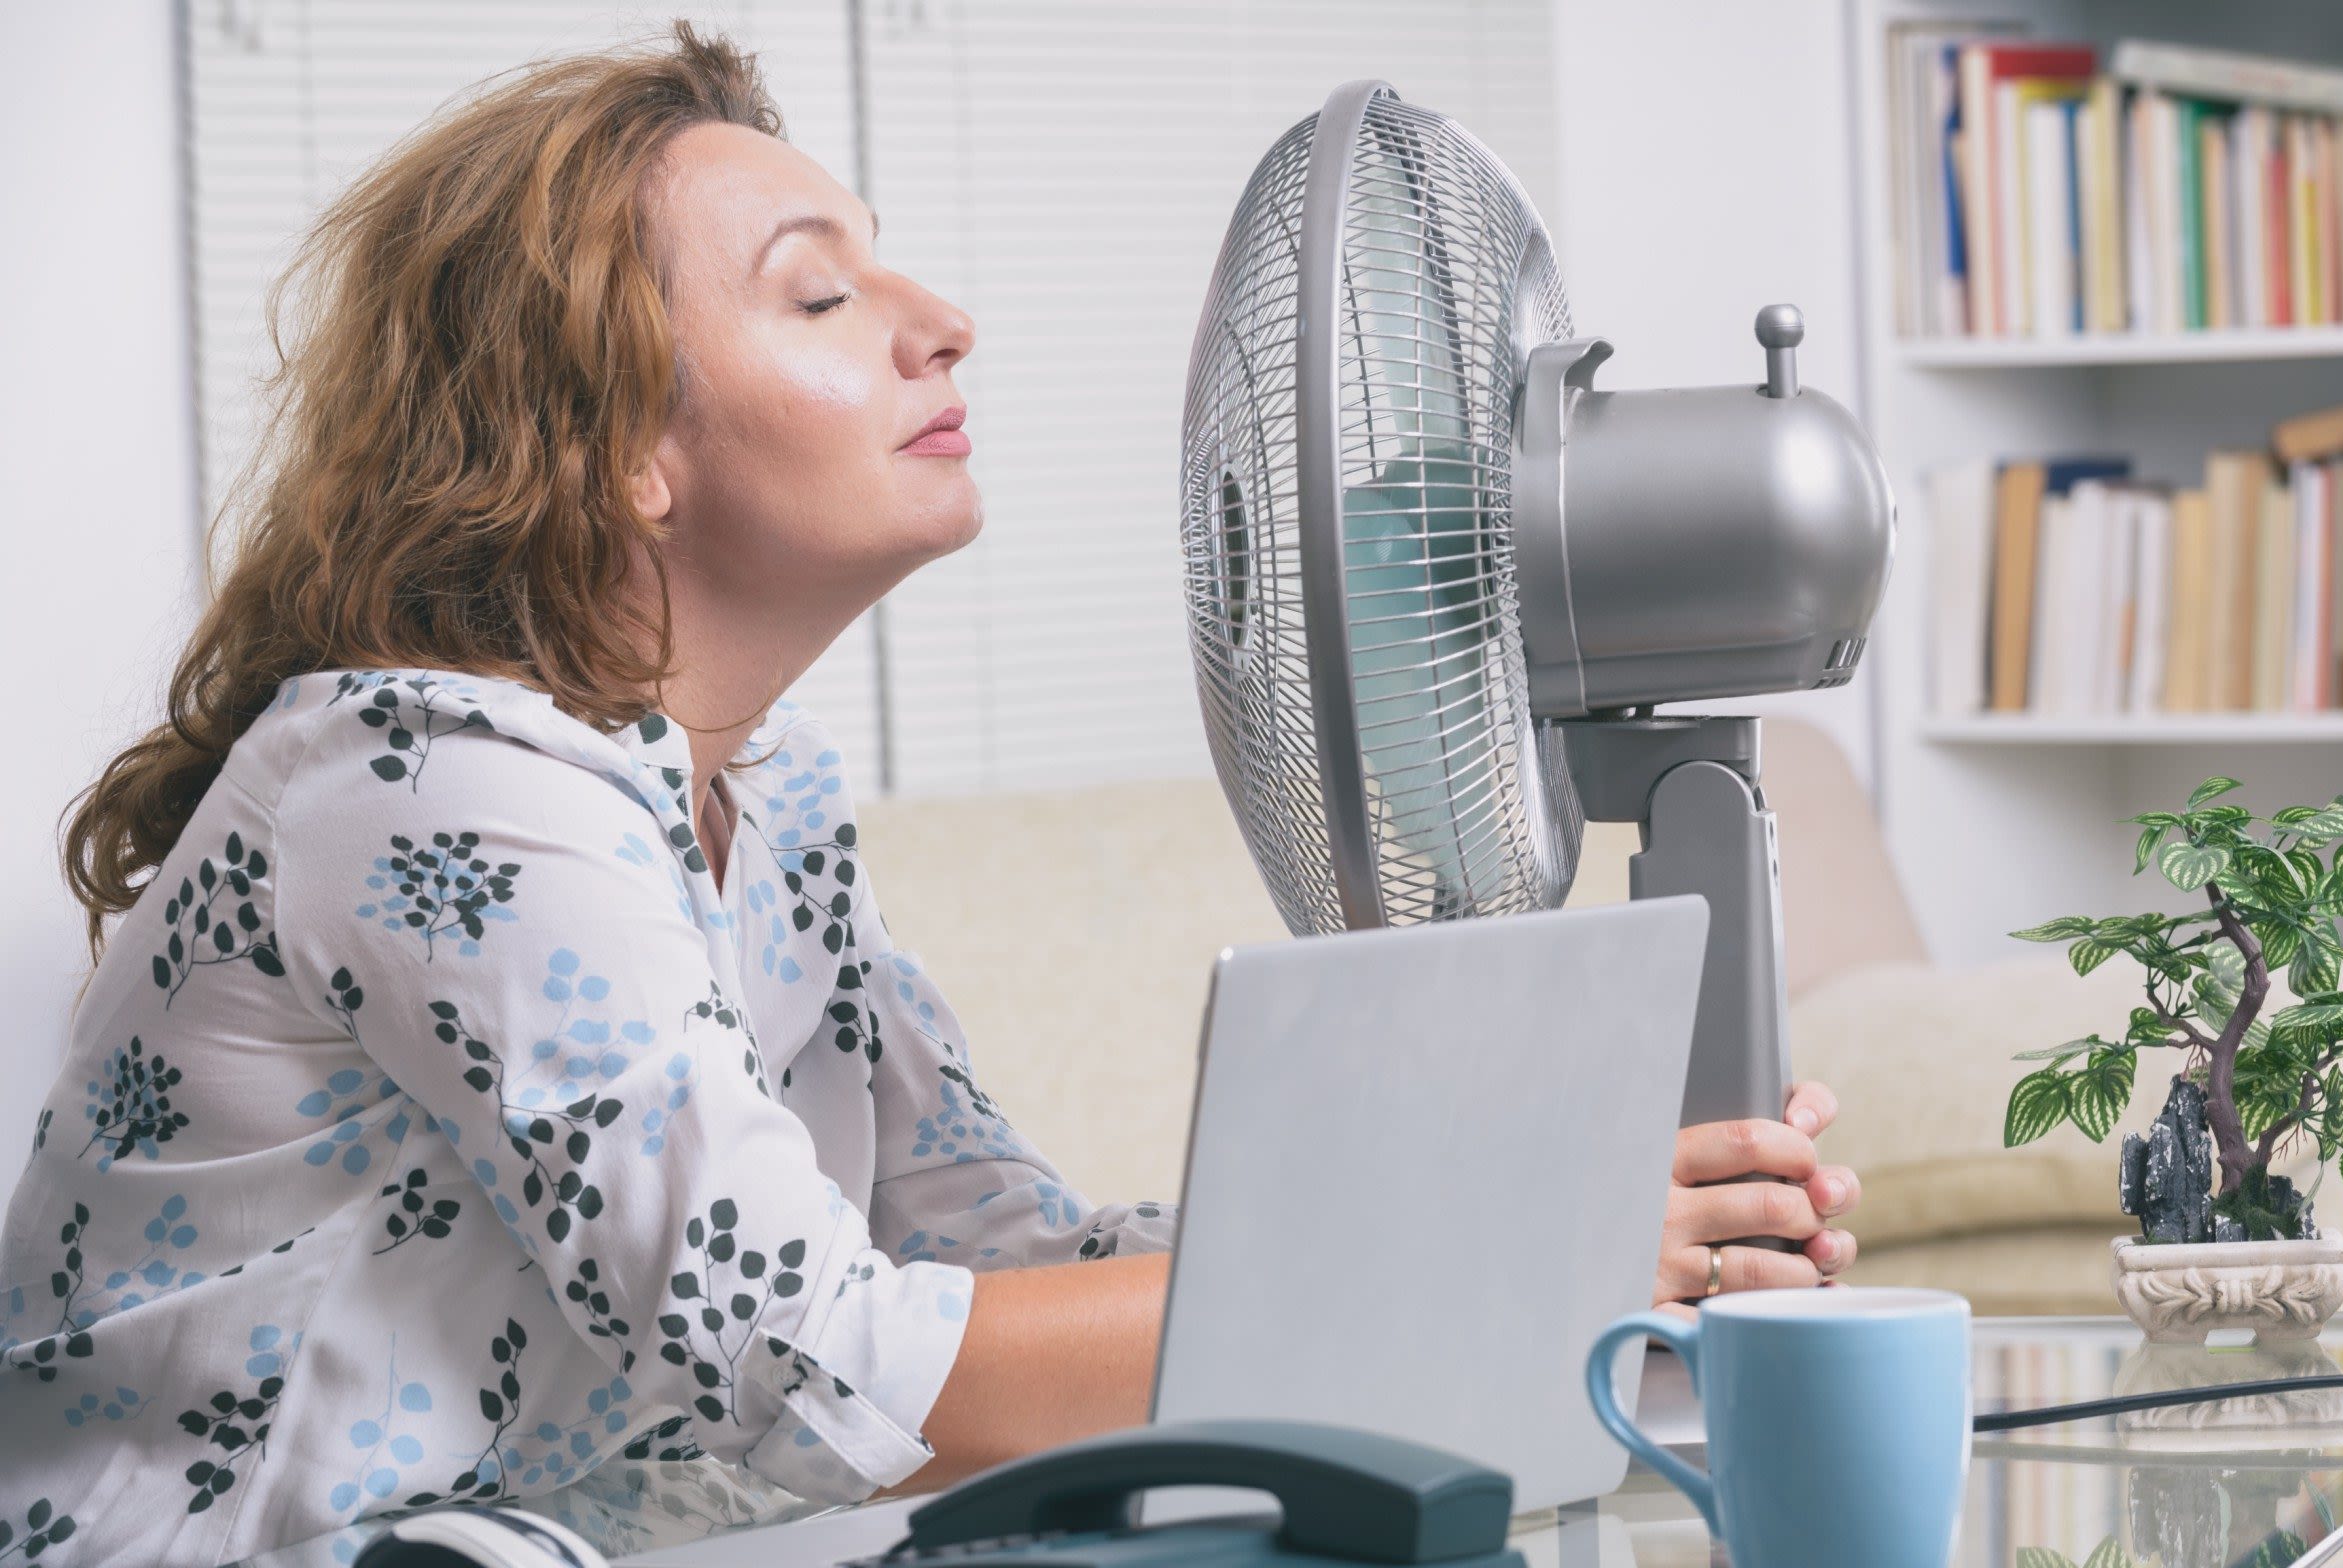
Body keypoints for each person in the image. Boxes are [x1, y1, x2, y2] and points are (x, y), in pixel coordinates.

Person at [0, 25, 1858, 1563]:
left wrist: (1558, 1203)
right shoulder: (428, 784)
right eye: (822, 293)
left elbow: (1007, 1262)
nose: (939, 319)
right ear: (617, 446)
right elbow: (818, 1356)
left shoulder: (761, 811)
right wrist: (1505, 1261)